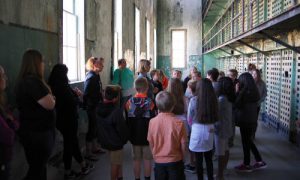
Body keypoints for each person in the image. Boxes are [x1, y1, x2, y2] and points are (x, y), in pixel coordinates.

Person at [16, 49, 56, 180]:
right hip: (37, 133)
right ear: (36, 63)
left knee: (38, 167)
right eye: (42, 61)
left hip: (34, 132)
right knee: (36, 169)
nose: (44, 64)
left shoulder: (27, 81)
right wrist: (52, 98)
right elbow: (50, 104)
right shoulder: (32, 82)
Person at [48, 64, 94, 179]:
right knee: (70, 144)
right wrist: (78, 96)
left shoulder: (53, 85)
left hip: (61, 119)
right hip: (68, 119)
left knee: (72, 143)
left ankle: (82, 165)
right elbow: (70, 102)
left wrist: (74, 94)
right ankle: (68, 172)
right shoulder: (62, 87)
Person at [147, 91, 187, 180]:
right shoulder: (179, 122)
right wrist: (183, 157)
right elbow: (183, 144)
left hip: (159, 161)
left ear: (157, 106)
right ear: (173, 106)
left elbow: (151, 141)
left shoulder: (152, 122)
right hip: (175, 161)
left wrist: (154, 155)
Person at [234, 72, 267, 172]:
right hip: (251, 120)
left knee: (246, 142)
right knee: (248, 141)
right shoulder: (254, 91)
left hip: (245, 120)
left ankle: (247, 164)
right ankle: (258, 161)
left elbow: (237, 104)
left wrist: (236, 91)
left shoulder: (244, 92)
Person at [188, 78, 218, 180]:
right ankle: (210, 178)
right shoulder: (214, 100)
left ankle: (200, 178)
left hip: (196, 129)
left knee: (198, 159)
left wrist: (192, 126)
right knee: (209, 158)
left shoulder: (193, 100)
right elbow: (216, 116)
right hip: (210, 129)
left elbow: (189, 118)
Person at [126, 78, 155, 180]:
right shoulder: (150, 102)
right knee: (147, 160)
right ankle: (147, 178)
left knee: (136, 160)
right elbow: (153, 120)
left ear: (135, 88)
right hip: (147, 136)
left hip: (134, 136)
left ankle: (137, 178)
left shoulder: (129, 102)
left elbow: (128, 120)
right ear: (147, 88)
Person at [97, 86, 129, 180]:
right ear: (115, 98)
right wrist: (125, 139)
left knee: (116, 161)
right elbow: (122, 129)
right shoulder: (116, 111)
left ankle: (120, 177)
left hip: (105, 140)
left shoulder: (98, 107)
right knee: (115, 164)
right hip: (116, 142)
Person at [83, 57, 105, 160]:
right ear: (94, 65)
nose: (102, 66)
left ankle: (95, 147)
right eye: (100, 64)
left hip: (96, 105)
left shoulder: (96, 75)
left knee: (95, 127)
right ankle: (88, 152)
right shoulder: (91, 77)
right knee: (92, 128)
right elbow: (86, 94)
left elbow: (98, 89)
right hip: (92, 106)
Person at [0, 66, 19, 180]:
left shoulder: (2, 100)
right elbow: (8, 135)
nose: (6, 78)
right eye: (3, 76)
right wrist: (12, 123)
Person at [215, 77, 235, 180]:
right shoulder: (228, 97)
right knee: (226, 149)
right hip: (227, 127)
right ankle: (223, 170)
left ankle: (220, 175)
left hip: (221, 129)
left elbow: (216, 113)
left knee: (220, 152)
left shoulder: (222, 99)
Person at [227, 69, 239, 147]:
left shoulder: (238, 84)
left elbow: (237, 97)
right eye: (228, 75)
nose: (229, 77)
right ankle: (228, 139)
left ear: (235, 76)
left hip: (233, 107)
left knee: (231, 124)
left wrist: (236, 91)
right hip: (227, 105)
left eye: (231, 75)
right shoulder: (227, 82)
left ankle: (230, 141)